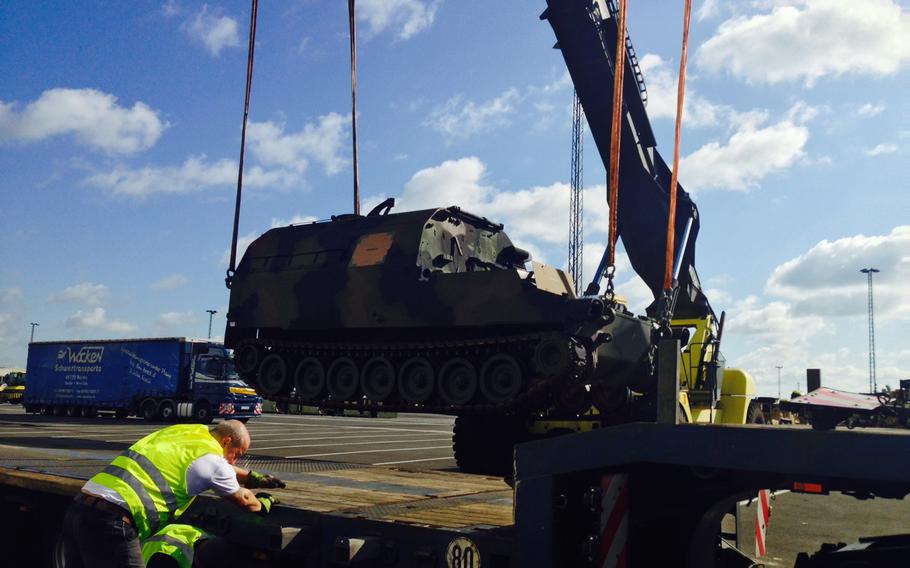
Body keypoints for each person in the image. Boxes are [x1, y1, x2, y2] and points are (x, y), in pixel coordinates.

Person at [63, 420, 285, 568]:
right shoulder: (213, 461)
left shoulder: (186, 433)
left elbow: (211, 466)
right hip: (112, 523)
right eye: (237, 454)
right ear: (227, 441)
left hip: (80, 507)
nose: (235, 461)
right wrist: (264, 501)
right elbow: (246, 501)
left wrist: (251, 477)